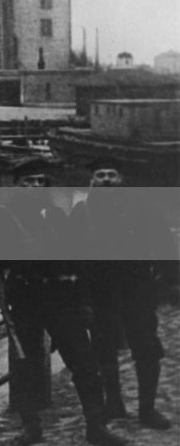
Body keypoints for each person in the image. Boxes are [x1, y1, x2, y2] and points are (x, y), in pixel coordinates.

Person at [0, 160, 127, 446]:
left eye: (39, 182)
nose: (35, 187)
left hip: (62, 300)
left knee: (85, 364)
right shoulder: (2, 217)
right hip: (26, 300)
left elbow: (77, 260)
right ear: (16, 186)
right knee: (28, 366)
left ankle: (96, 427)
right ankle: (31, 426)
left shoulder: (57, 215)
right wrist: (16, 252)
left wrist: (84, 302)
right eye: (28, 182)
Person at [71, 157, 174, 430]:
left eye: (111, 175)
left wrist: (168, 283)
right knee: (104, 349)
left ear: (121, 179)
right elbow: (71, 254)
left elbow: (165, 244)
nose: (106, 180)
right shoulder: (82, 212)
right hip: (99, 291)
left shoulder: (142, 208)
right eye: (100, 175)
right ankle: (114, 404)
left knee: (147, 348)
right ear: (92, 180)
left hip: (136, 289)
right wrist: (79, 294)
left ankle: (147, 410)